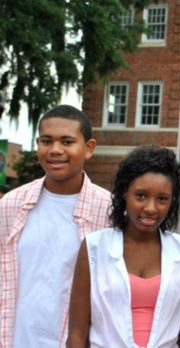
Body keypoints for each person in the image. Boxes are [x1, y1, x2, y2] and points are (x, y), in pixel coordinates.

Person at [0, 104, 111, 347]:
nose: (55, 150)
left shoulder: (109, 211)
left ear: (88, 148)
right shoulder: (11, 205)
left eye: (67, 141)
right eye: (47, 141)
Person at [67, 145, 180, 348]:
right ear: (125, 193)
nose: (151, 208)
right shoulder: (95, 247)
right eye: (141, 196)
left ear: (172, 201)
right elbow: (77, 333)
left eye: (162, 199)